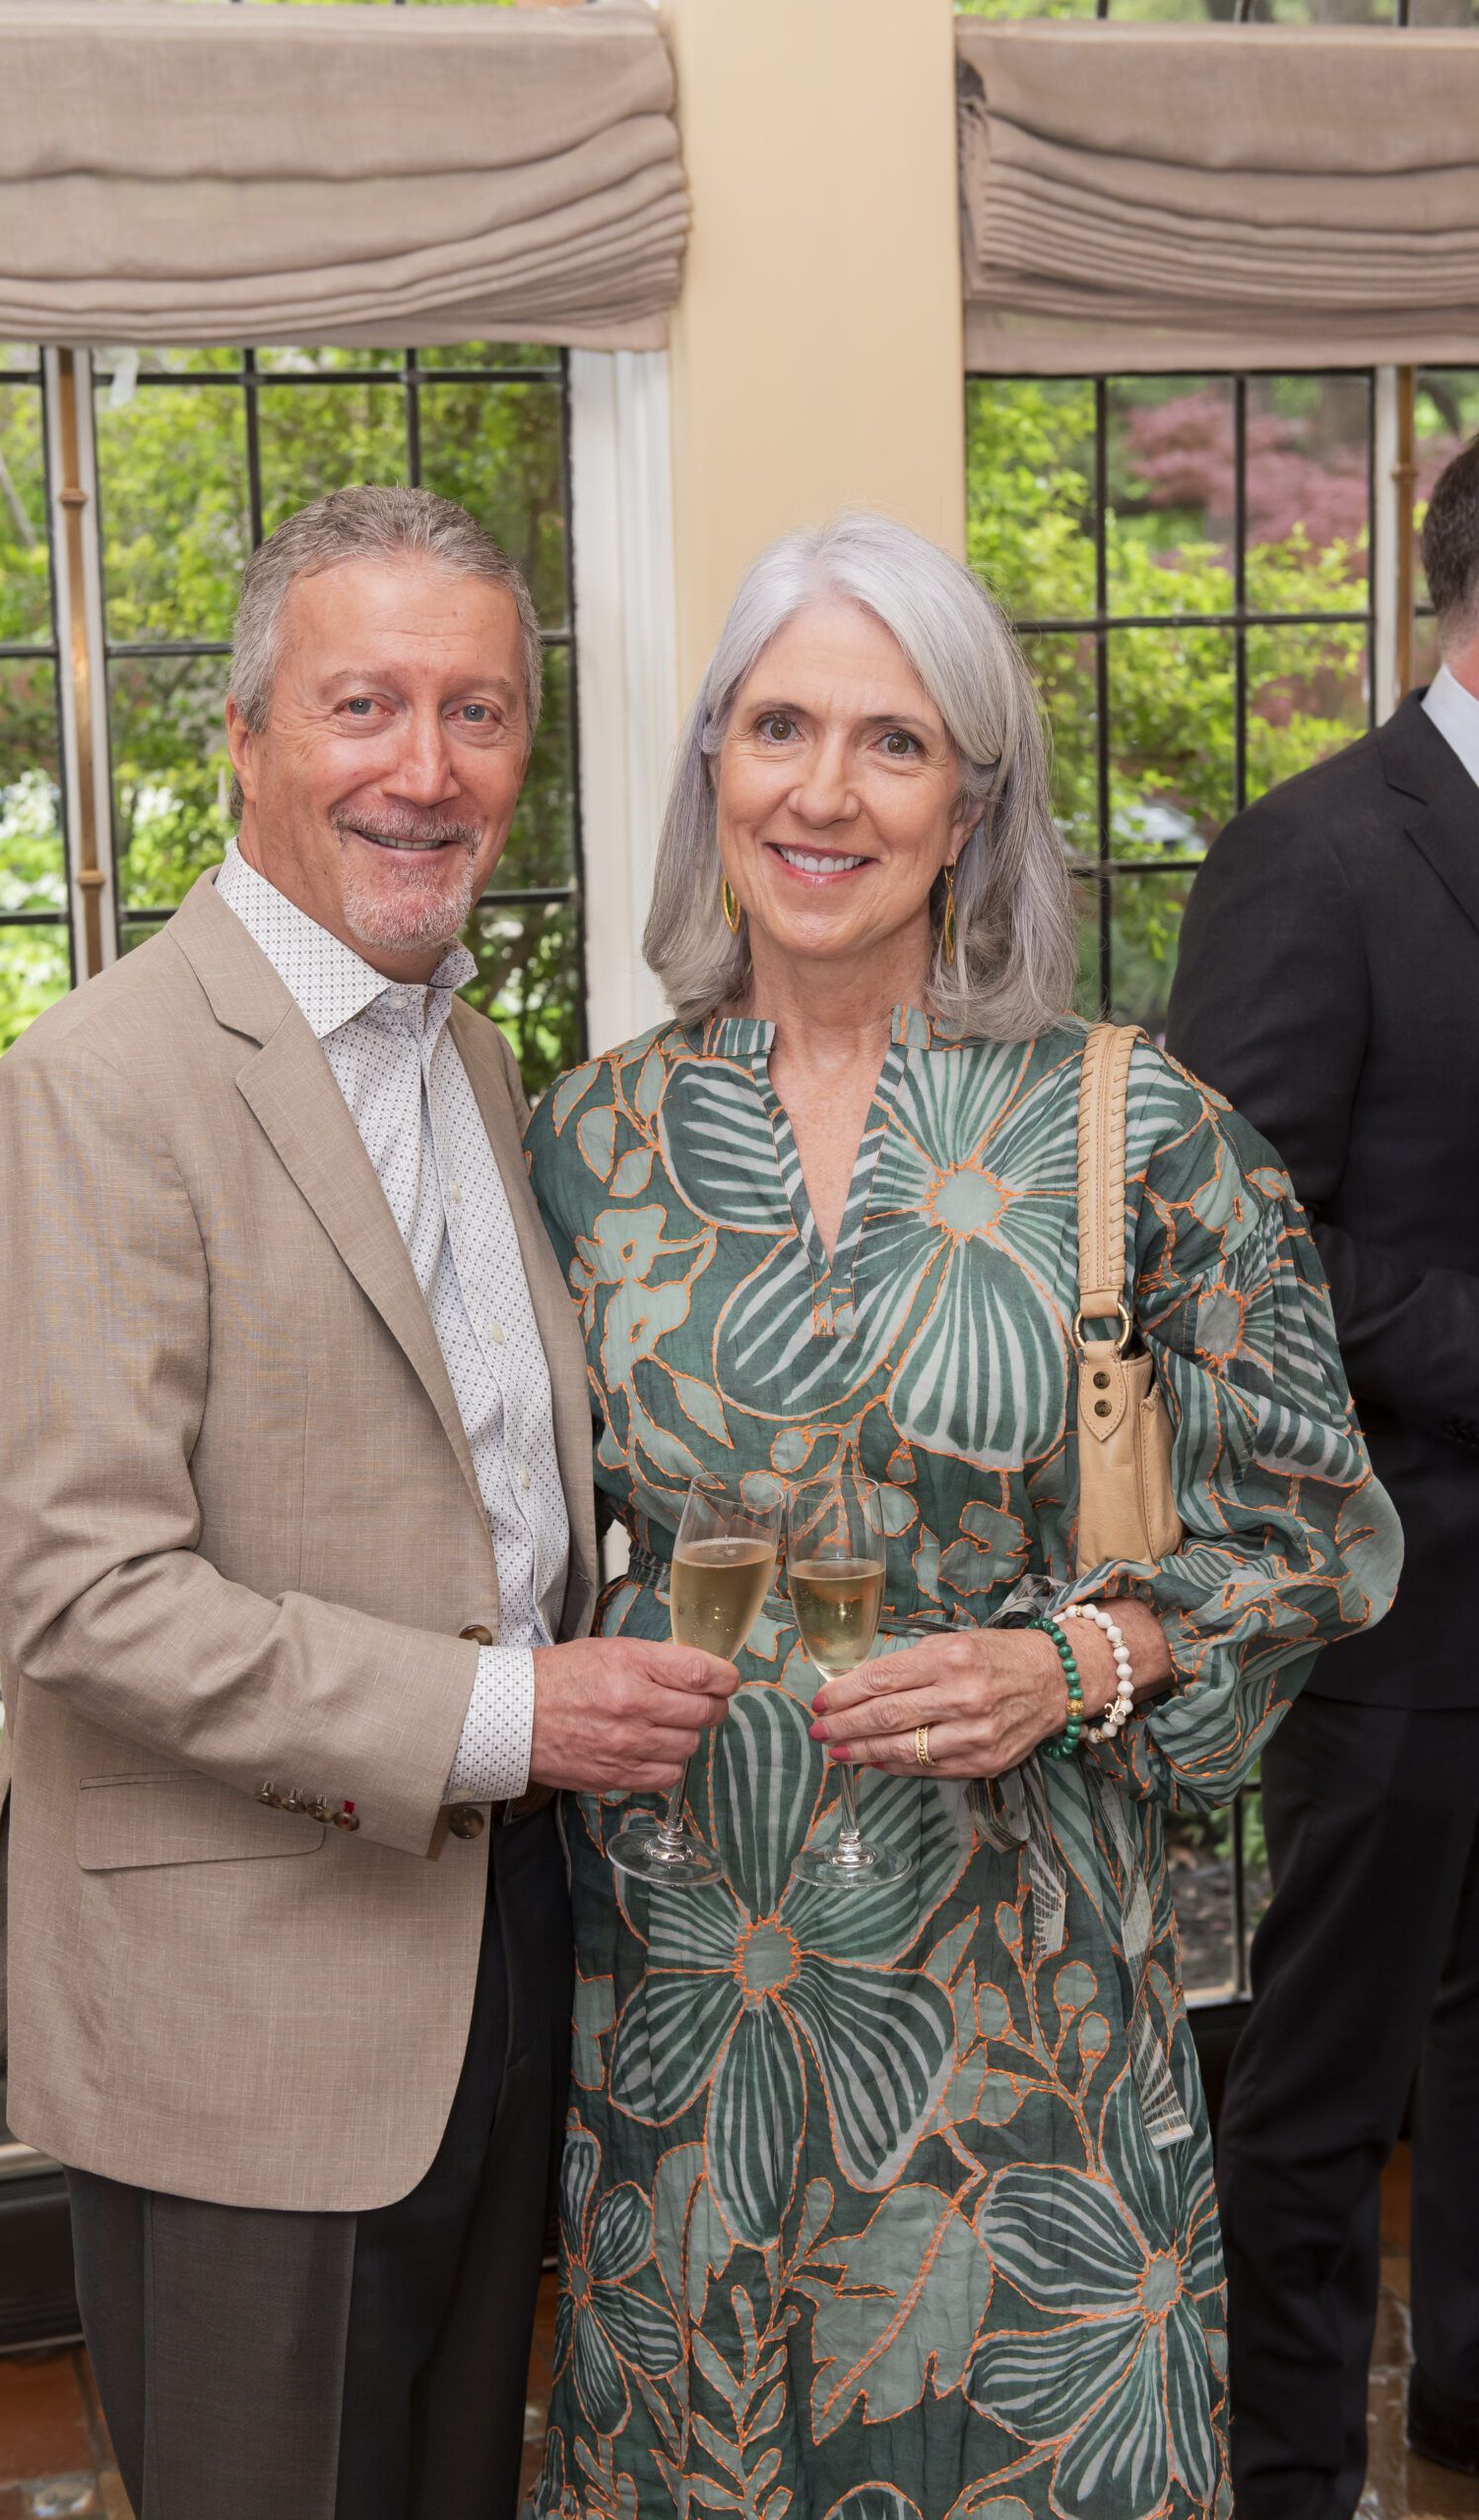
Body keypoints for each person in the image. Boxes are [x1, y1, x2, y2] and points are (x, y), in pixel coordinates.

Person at [521, 512, 1400, 2520]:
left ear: (970, 803)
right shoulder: (583, 1141)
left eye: (893, 741)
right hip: (694, 1997)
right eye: (779, 728)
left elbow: (1319, 1526)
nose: (824, 790)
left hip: (1032, 2001)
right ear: (713, 774)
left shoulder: (1130, 1123)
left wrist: (1071, 1654)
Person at [0, 484, 740, 2520]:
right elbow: (89, 1594)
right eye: (364, 704)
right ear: (244, 737)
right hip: (245, 2023)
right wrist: (515, 1712)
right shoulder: (102, 1083)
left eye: (478, 712)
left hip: (494, 1957)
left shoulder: (471, 1063)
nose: (426, 767)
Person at [1167, 436, 1479, 2518]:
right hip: (1396, 1598)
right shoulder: (1317, 853)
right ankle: (1287, 2473)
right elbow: (1228, 1242)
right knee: (1323, 2079)